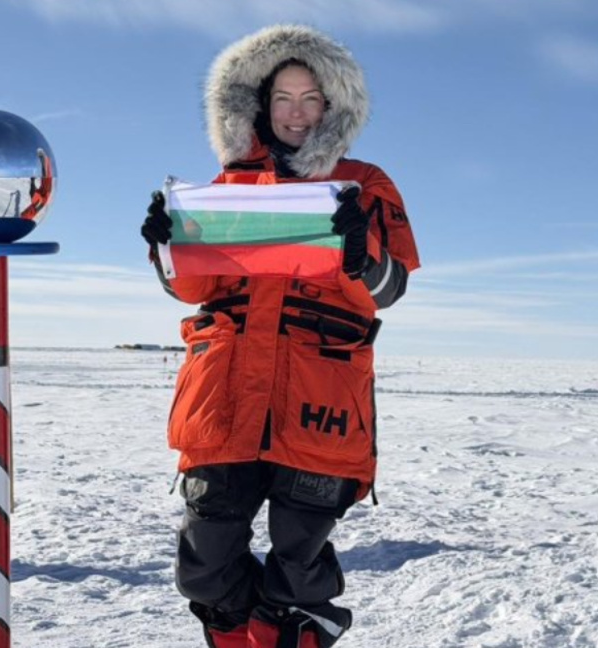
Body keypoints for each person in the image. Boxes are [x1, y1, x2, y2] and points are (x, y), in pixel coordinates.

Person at [140, 24, 420, 648]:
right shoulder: (224, 188)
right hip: (225, 398)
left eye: (310, 99)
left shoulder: (366, 183)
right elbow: (193, 290)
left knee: (297, 579)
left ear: (333, 107)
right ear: (257, 107)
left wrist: (360, 252)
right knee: (206, 572)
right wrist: (166, 246)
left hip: (318, 403)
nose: (296, 113)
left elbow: (390, 289)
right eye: (282, 99)